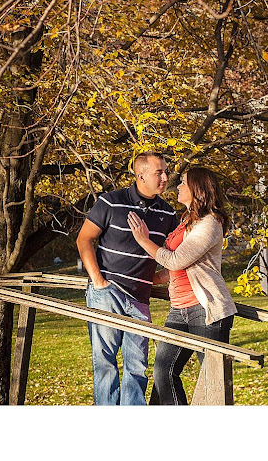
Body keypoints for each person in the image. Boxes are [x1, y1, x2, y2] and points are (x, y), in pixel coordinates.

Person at [127, 167, 237, 405]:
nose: (177, 186)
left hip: (205, 310)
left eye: (184, 183)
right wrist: (148, 279)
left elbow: (177, 260)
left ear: (198, 190)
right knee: (163, 371)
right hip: (179, 309)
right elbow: (176, 269)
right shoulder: (187, 221)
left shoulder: (210, 224)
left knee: (212, 382)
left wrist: (143, 241)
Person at [76, 151, 179, 405]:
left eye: (166, 171)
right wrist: (99, 283)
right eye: (159, 172)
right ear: (140, 174)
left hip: (140, 300)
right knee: (105, 365)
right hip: (106, 294)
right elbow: (84, 239)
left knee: (137, 367)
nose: (166, 177)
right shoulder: (111, 202)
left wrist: (154, 278)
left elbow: (177, 255)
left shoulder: (168, 214)